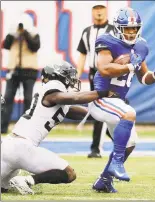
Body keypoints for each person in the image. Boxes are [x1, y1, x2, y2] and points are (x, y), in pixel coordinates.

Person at [1, 60, 114, 195]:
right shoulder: (53, 88)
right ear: (58, 76)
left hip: (8, 146)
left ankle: (19, 179)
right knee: (69, 174)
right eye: (68, 75)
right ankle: (27, 180)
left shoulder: (57, 99)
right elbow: (76, 98)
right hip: (23, 147)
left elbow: (79, 111)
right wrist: (103, 92)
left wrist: (108, 111)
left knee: (4, 189)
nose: (72, 80)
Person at [89, 7, 155, 193]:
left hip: (117, 102)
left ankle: (104, 181)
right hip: (102, 98)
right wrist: (131, 66)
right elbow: (104, 69)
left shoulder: (141, 45)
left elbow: (143, 77)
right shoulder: (106, 41)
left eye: (134, 28)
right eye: (128, 28)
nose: (131, 32)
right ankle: (116, 162)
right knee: (129, 113)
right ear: (118, 28)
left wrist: (154, 75)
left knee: (130, 143)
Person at [77, 2, 114, 158]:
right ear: (92, 12)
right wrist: (77, 76)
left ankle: (97, 148)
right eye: (96, 9)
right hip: (94, 74)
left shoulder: (113, 31)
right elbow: (82, 55)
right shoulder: (87, 32)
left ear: (106, 11)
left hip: (110, 73)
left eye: (101, 9)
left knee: (104, 110)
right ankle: (120, 140)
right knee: (98, 110)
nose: (99, 12)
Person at [1, 12, 40, 133]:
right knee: (7, 98)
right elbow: (5, 45)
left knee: (28, 99)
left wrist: (26, 33)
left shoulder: (34, 33)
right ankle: (3, 127)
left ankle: (26, 128)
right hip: (13, 70)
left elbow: (35, 46)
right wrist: (14, 33)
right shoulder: (12, 33)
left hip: (29, 71)